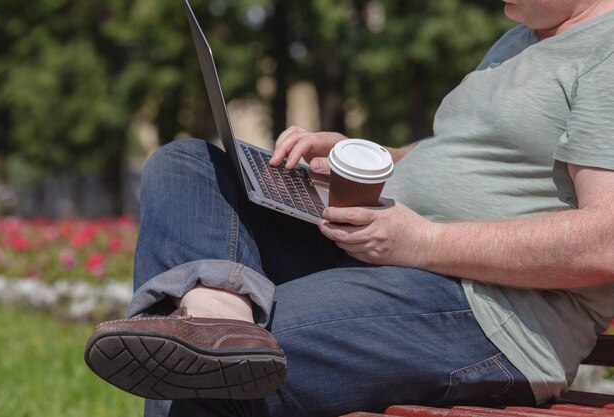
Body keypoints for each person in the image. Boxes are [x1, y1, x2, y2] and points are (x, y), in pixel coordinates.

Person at [84, 1, 614, 416]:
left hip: (490, 312)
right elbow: (465, 151)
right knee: (190, 165)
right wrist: (367, 158)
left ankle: (212, 327)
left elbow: (604, 241)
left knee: (211, 369)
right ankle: (214, 307)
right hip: (392, 258)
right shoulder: (520, 37)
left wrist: (425, 242)